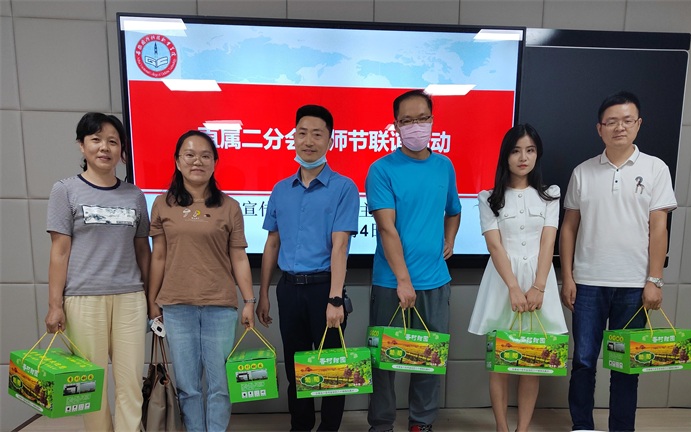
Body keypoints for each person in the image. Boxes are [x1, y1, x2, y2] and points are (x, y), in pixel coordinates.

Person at [560, 91, 677, 431]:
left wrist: (654, 280)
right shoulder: (583, 172)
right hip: (588, 284)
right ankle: (582, 426)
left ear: (638, 124)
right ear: (600, 128)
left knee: (626, 367)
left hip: (633, 286)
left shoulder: (655, 168)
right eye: (611, 122)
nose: (619, 127)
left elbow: (659, 228)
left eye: (627, 120)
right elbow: (568, 228)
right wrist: (568, 277)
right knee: (583, 362)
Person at [44, 112, 150, 432]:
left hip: (131, 297)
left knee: (130, 383)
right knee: (91, 386)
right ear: (82, 145)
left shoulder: (134, 195)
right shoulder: (65, 190)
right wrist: (55, 305)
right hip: (83, 299)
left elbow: (142, 250)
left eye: (113, 142)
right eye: (96, 140)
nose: (105, 147)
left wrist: (151, 297)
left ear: (121, 150)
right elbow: (59, 251)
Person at [256, 104, 359, 432]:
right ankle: (300, 427)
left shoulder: (344, 188)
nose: (308, 141)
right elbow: (272, 243)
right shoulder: (280, 189)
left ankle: (328, 428)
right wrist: (263, 293)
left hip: (325, 288)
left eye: (317, 134)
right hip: (288, 289)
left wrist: (335, 299)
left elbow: (340, 246)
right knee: (295, 367)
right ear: (294, 137)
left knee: (331, 369)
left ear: (330, 140)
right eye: (302, 133)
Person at [365, 90, 461, 432]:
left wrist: (449, 239)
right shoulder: (381, 169)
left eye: (422, 118)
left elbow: (453, 210)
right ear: (396, 126)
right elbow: (386, 228)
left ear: (433, 120)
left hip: (435, 280)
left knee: (429, 359)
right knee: (384, 360)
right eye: (407, 120)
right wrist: (404, 280)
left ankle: (421, 422)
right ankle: (381, 425)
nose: (415, 126)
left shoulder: (444, 166)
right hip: (391, 283)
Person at [147, 130, 256, 432]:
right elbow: (158, 257)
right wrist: (152, 302)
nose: (198, 161)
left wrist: (249, 301)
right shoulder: (162, 204)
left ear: (215, 162)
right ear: (177, 161)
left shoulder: (229, 206)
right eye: (190, 155)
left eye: (206, 156)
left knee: (220, 386)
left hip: (220, 306)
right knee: (188, 386)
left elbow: (238, 257)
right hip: (176, 306)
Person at [468, 124, 567, 432]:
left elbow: (548, 242)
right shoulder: (488, 198)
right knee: (500, 363)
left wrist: (538, 287)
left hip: (540, 281)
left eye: (530, 150)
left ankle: (522, 429)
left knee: (532, 362)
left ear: (537, 154)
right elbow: (494, 245)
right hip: (502, 283)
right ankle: (502, 426)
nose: (523, 158)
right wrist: (513, 287)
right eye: (516, 151)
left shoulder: (550, 195)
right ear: (505, 156)